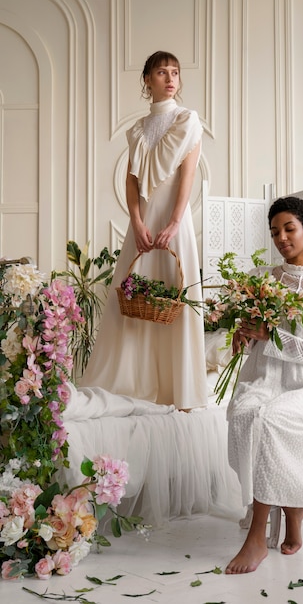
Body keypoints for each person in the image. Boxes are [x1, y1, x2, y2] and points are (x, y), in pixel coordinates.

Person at [225, 196, 303, 574]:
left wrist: (272, 334)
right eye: (275, 231)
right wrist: (244, 335)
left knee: (269, 419)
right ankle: (293, 510)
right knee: (245, 411)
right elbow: (256, 333)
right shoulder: (264, 279)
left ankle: (258, 537)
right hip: (265, 378)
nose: (281, 238)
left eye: (289, 229)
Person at [80, 50, 208, 410]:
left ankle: (179, 392)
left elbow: (188, 175)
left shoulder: (188, 120)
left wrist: (174, 223)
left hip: (173, 224)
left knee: (174, 298)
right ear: (147, 80)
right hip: (142, 226)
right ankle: (130, 386)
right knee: (131, 301)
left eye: (175, 72)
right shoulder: (137, 130)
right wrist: (136, 222)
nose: (170, 78)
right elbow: (132, 180)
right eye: (161, 72)